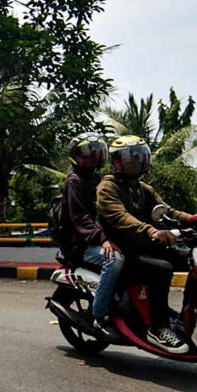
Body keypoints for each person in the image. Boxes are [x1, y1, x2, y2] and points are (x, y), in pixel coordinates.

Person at [96, 135, 197, 354]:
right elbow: (121, 218)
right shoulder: (108, 188)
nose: (135, 162)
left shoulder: (143, 188)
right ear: (117, 162)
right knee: (161, 269)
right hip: (124, 249)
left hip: (144, 245)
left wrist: (196, 219)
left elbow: (168, 211)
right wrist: (152, 231)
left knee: (192, 258)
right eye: (128, 158)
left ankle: (186, 317)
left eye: (138, 157)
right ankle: (157, 328)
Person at [60, 132, 125, 340]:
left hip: (94, 239)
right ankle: (100, 315)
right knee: (114, 260)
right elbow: (81, 220)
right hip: (80, 245)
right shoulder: (74, 181)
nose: (93, 158)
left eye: (97, 154)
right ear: (76, 157)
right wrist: (103, 239)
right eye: (87, 154)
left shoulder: (95, 180)